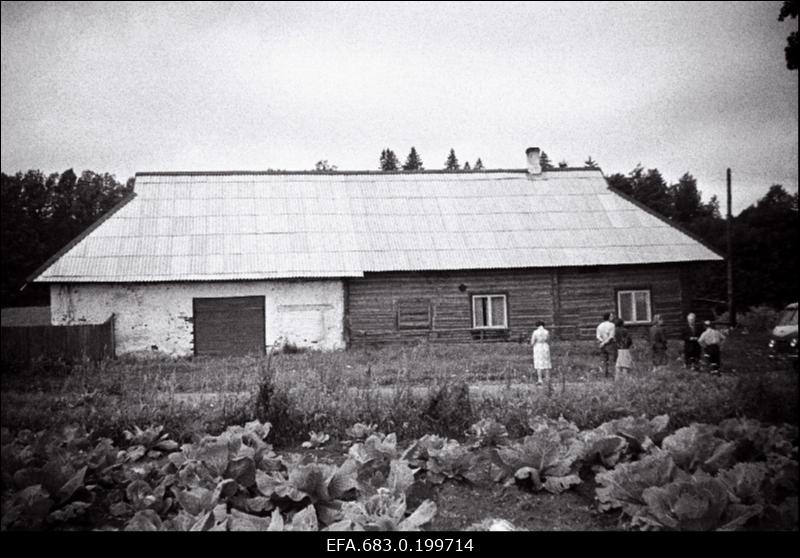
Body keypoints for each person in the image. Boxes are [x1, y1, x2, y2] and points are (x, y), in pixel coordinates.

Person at [596, 312, 617, 378]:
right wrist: (605, 342)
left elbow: (598, 336)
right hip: (610, 344)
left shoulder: (600, 325)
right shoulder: (612, 325)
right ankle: (611, 375)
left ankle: (604, 375)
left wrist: (602, 342)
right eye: (611, 316)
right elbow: (611, 336)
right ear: (608, 317)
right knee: (611, 359)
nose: (612, 317)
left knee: (603, 360)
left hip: (602, 345)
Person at [531, 321, 552, 386]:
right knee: (546, 362)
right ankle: (547, 378)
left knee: (538, 363)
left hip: (538, 346)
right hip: (545, 346)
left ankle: (540, 379)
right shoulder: (546, 332)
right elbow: (548, 340)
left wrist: (532, 344)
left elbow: (532, 342)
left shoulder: (535, 332)